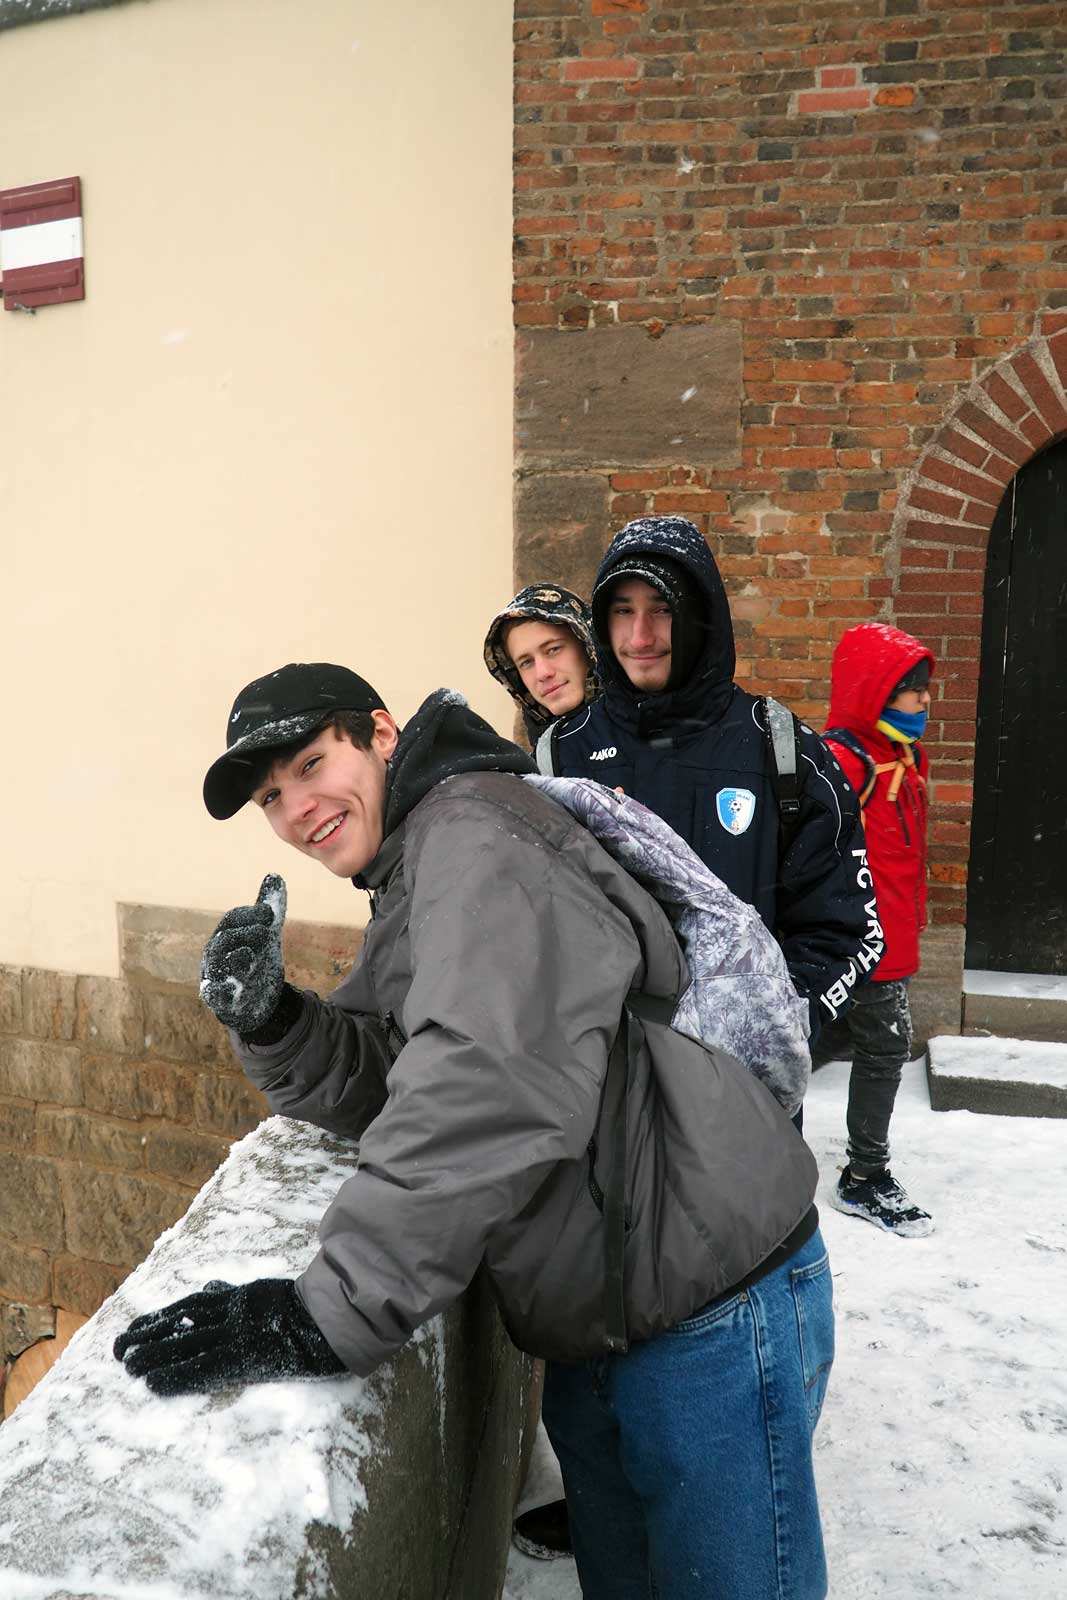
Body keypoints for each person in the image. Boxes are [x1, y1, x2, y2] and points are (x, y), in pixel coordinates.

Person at [114, 660, 835, 1600]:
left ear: (380, 733)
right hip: (610, 1300)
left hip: (708, 1302)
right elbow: (404, 1070)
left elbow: (486, 1083)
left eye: (309, 764)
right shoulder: (419, 859)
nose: (296, 808)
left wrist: (330, 1309)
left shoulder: (474, 835)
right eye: (270, 797)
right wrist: (276, 1021)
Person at [538, 516, 885, 1047]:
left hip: (735, 1081)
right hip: (599, 1070)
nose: (640, 637)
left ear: (699, 617)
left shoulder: (779, 748)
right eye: (623, 611)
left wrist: (775, 1025)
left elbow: (846, 931)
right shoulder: (562, 752)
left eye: (662, 609)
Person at [819, 624, 935, 1237]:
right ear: (877, 694)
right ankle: (864, 1176)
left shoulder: (903, 755)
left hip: (893, 933)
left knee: (828, 1041)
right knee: (884, 1049)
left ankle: (751, 1125)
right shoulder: (845, 762)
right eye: (913, 689)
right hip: (864, 939)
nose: (924, 701)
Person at [483, 582, 598, 746]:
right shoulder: (534, 759)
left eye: (553, 650)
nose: (543, 673)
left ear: (587, 644)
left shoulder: (634, 730)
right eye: (526, 662)